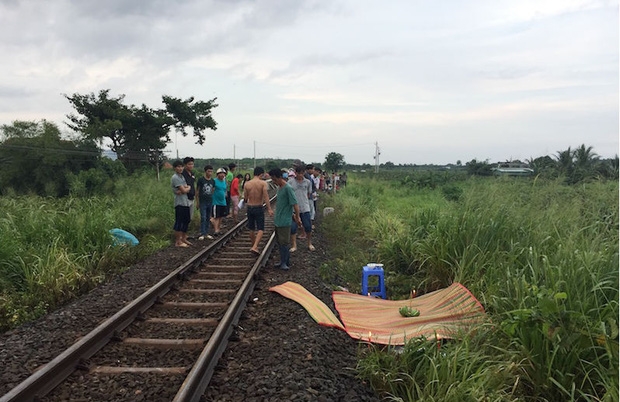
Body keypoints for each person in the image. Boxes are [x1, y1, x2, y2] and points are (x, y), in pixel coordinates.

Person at [268, 168, 301, 271]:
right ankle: (283, 261)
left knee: (284, 243)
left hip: (285, 220)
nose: (273, 181)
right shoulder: (280, 187)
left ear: (279, 177)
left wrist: (297, 217)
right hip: (278, 220)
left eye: (274, 179)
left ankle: (285, 263)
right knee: (280, 242)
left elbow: (295, 204)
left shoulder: (288, 188)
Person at [243, 166, 273, 255]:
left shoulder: (247, 184)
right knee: (260, 228)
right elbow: (266, 196)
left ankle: (253, 246)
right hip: (258, 207)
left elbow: (245, 198)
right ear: (261, 174)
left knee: (251, 228)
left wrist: (245, 201)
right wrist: (269, 208)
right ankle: (255, 246)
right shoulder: (263, 183)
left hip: (250, 207)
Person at [289, 165, 315, 252]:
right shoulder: (290, 182)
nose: (300, 175)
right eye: (298, 173)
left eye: (302, 173)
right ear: (295, 173)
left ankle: (309, 243)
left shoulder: (307, 182)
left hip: (305, 208)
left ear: (304, 173)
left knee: (308, 227)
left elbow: (308, 194)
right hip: (293, 209)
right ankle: (294, 245)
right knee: (293, 228)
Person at [171, 160, 192, 247]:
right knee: (179, 222)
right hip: (179, 203)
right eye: (178, 167)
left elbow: (184, 188)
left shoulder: (182, 177)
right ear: (175, 168)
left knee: (186, 220)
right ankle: (178, 241)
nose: (180, 168)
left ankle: (183, 238)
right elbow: (184, 190)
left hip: (185, 202)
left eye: (181, 166)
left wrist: (185, 189)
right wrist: (187, 188)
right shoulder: (175, 177)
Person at [196, 165, 215, 240]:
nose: (210, 173)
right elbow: (197, 191)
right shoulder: (201, 180)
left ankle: (206, 232)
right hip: (202, 201)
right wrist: (197, 202)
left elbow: (213, 190)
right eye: (208, 171)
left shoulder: (212, 181)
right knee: (203, 217)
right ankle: (202, 233)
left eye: (211, 171)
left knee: (208, 217)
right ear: (205, 171)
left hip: (210, 201)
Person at [211, 168, 228, 236]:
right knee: (216, 217)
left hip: (223, 202)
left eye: (223, 174)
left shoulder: (224, 181)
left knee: (221, 216)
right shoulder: (214, 181)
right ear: (217, 174)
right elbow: (211, 190)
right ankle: (216, 230)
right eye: (220, 173)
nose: (222, 175)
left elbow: (225, 190)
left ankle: (218, 229)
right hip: (216, 202)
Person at [182, 157, 196, 226]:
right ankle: (183, 234)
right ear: (185, 165)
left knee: (190, 217)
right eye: (189, 164)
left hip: (192, 197)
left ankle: (186, 232)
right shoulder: (182, 174)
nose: (191, 166)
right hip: (185, 198)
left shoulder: (192, 174)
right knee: (185, 217)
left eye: (192, 164)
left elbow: (193, 184)